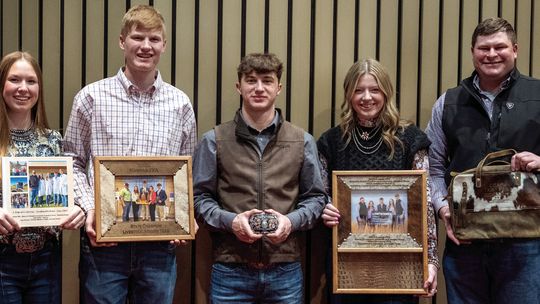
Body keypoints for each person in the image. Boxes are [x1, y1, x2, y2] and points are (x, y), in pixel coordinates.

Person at [62, 5, 197, 303]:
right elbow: (72, 161)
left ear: (164, 45)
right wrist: (91, 208)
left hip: (159, 246)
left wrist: (184, 216)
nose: (146, 46)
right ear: (122, 41)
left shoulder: (180, 104)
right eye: (138, 37)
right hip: (104, 243)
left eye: (154, 39)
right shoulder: (90, 97)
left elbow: (187, 171)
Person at [193, 53, 326, 303]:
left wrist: (291, 221)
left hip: (285, 270)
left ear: (279, 88)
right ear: (238, 86)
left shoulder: (302, 141)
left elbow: (317, 199)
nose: (259, 88)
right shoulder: (214, 140)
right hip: (230, 269)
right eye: (251, 80)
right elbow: (198, 199)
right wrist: (230, 221)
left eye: (267, 81)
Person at [425, 17, 540, 304]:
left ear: (515, 49)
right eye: (483, 48)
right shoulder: (448, 102)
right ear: (473, 51)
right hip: (465, 243)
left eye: (499, 47)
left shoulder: (538, 95)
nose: (491, 54)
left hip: (524, 244)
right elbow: (434, 167)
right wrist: (442, 210)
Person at [318, 58, 439, 303]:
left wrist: (430, 261)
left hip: (400, 265)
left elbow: (424, 206)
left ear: (386, 92)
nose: (367, 97)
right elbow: (318, 195)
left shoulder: (411, 140)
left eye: (374, 90)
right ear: (348, 94)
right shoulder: (331, 142)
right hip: (347, 266)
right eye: (358, 90)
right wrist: (324, 207)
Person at [0, 51, 85, 304]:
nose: (23, 88)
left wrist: (78, 210)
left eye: (31, 81)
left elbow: (69, 191)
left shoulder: (54, 141)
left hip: (46, 259)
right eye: (14, 80)